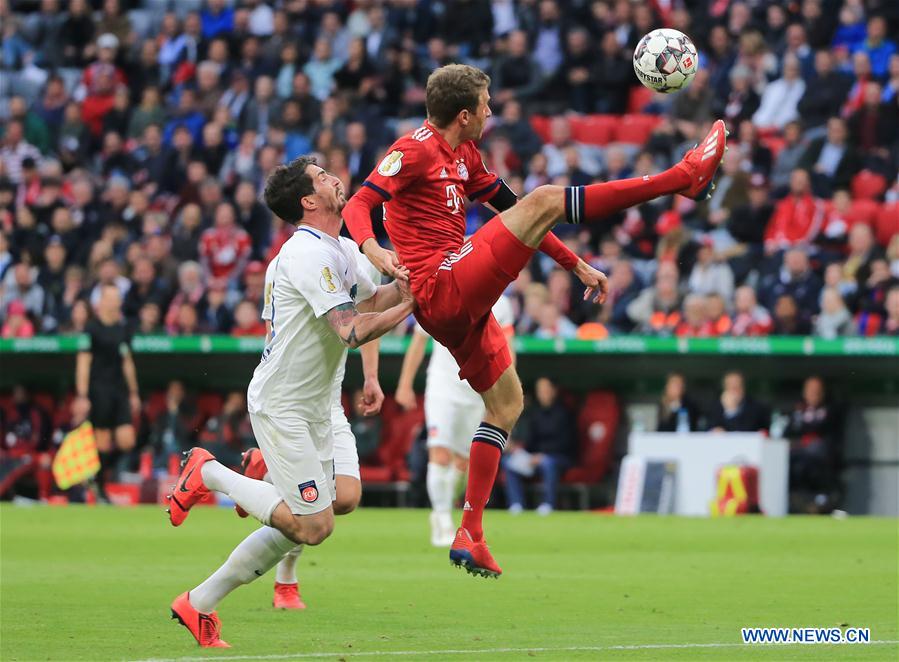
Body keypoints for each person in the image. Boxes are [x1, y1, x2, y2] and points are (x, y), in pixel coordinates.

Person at [342, 63, 726, 577]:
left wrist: (577, 264)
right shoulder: (413, 150)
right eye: (485, 104)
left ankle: (470, 532)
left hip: (458, 305)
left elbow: (519, 212)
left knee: (506, 405)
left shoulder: (465, 154)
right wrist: (375, 250)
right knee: (547, 196)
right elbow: (360, 204)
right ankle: (681, 178)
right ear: (463, 114)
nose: (491, 111)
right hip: (439, 287)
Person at [165, 156, 415, 648]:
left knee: (341, 499)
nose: (335, 176)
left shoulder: (342, 247)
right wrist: (414, 305)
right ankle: (209, 473)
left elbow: (372, 302)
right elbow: (350, 329)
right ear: (307, 200)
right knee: (312, 525)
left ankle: (197, 603)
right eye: (322, 176)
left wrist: (408, 285)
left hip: (320, 404)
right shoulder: (304, 254)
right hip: (283, 405)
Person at [233, 218, 385, 611]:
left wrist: (371, 376)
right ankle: (285, 581)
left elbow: (370, 305)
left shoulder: (352, 252)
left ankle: (263, 470)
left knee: (346, 498)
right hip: (296, 395)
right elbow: (339, 328)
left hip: (326, 398)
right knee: (311, 515)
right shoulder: (297, 258)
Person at [395, 295, 515, 547]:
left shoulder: (501, 303)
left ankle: (445, 507)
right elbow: (418, 341)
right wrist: (405, 384)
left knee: (463, 463)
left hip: (476, 392)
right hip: (442, 387)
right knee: (439, 454)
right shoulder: (442, 291)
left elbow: (507, 349)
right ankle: (441, 518)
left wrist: (507, 395)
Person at [72, 284, 140, 499]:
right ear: (100, 302)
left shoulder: (123, 329)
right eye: (111, 297)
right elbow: (83, 362)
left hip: (119, 390)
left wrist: (133, 392)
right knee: (102, 441)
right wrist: (82, 395)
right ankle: (99, 487)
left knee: (126, 440)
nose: (116, 301)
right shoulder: (91, 329)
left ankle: (96, 476)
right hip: (99, 390)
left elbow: (127, 361)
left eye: (117, 297)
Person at [501, 377, 577, 515]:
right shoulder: (534, 413)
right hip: (535, 458)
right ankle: (516, 504)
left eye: (546, 390)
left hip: (559, 458)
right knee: (508, 462)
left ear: (554, 391)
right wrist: (520, 450)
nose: (543, 394)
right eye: (540, 391)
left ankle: (548, 504)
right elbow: (531, 441)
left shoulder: (564, 413)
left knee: (548, 463)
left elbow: (567, 443)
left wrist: (543, 455)